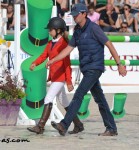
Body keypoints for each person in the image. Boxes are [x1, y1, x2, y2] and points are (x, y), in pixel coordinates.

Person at [46, 3, 127, 136]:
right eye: (73, 15)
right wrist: (54, 59)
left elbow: (109, 44)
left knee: (79, 94)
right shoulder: (77, 31)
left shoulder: (94, 28)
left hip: (95, 68)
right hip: (86, 68)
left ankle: (64, 124)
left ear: (84, 14)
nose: (74, 17)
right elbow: (68, 49)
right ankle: (111, 128)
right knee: (100, 99)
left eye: (76, 15)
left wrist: (119, 64)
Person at [27, 17, 84, 134]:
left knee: (48, 98)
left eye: (50, 29)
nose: (48, 31)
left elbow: (67, 63)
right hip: (54, 77)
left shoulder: (64, 44)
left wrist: (68, 81)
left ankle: (40, 126)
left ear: (58, 30)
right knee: (65, 102)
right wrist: (35, 63)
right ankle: (78, 124)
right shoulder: (49, 43)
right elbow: (43, 56)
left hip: (60, 77)